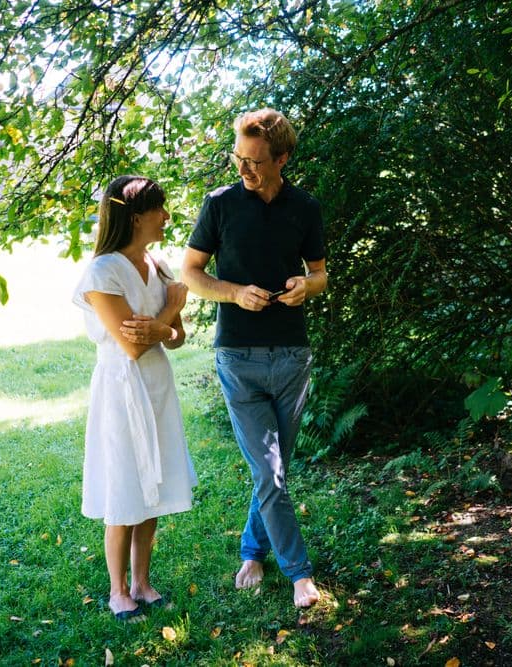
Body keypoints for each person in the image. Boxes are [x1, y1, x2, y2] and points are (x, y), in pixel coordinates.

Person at [181, 107, 326, 608]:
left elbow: (321, 274)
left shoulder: (305, 207)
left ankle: (251, 551)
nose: (243, 169)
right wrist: (235, 293)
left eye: (255, 161)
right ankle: (299, 574)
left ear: (282, 159)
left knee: (275, 470)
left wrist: (307, 285)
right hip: (238, 356)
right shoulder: (220, 204)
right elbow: (191, 273)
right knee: (269, 472)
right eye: (238, 158)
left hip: (291, 357)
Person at [71, 175, 197, 621]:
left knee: (153, 485)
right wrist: (170, 312)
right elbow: (131, 345)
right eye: (160, 209)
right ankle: (117, 590)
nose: (167, 217)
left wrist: (163, 326)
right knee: (124, 484)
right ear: (137, 217)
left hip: (157, 385)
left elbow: (177, 339)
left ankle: (142, 582)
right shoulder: (102, 272)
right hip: (121, 390)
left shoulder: (158, 264)